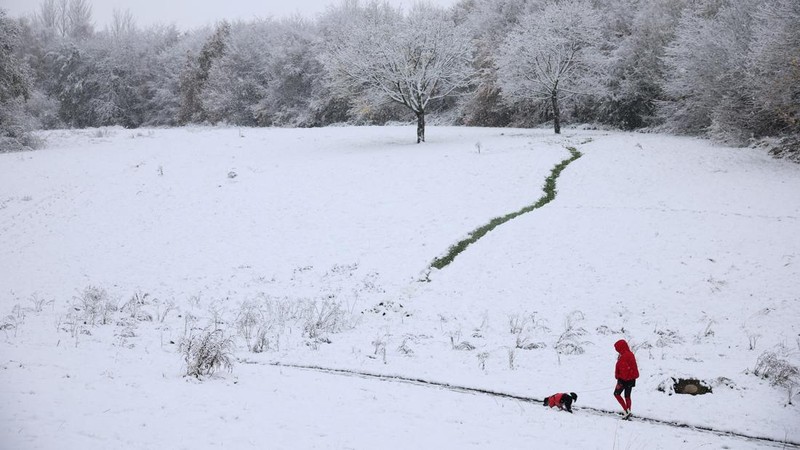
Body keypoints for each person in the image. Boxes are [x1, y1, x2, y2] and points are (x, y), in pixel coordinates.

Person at [613, 339, 639, 419]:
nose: (617, 351)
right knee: (627, 396)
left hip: (623, 380)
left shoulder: (624, 355)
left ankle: (625, 411)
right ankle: (628, 411)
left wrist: (618, 377)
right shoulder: (630, 354)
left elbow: (622, 368)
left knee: (616, 394)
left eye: (617, 349)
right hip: (631, 379)